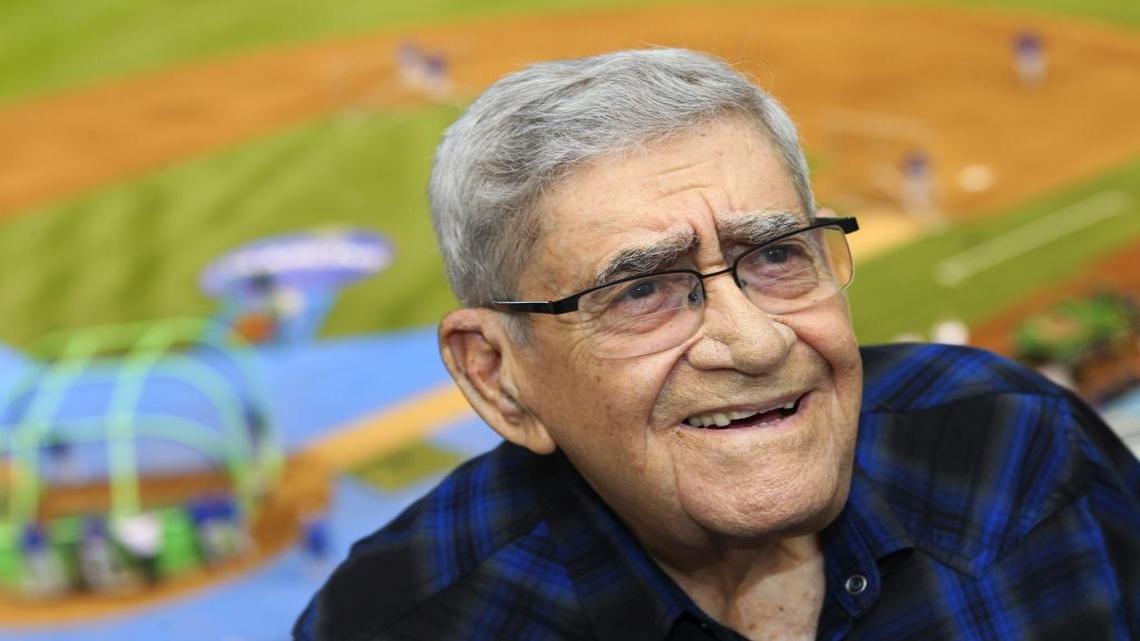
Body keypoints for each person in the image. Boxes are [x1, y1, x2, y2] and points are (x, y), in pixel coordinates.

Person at [295, 49, 1140, 640]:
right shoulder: (398, 624)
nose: (755, 339)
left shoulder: (1023, 446)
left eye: (775, 254)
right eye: (641, 290)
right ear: (499, 376)